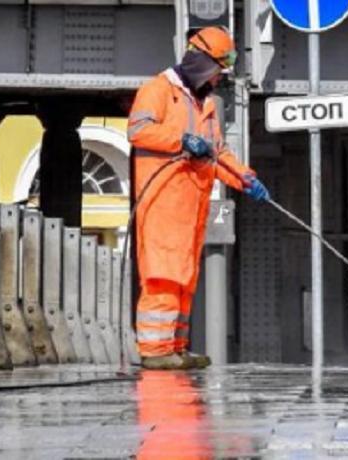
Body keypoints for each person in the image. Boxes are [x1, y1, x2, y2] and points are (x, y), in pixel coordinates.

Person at [127, 26, 270, 370]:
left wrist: (244, 178)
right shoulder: (158, 90)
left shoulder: (203, 104)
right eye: (217, 72)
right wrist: (182, 140)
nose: (218, 80)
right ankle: (155, 351)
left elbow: (216, 153)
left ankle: (175, 346)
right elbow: (138, 130)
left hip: (190, 208)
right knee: (163, 276)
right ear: (201, 62)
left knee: (184, 278)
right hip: (162, 204)